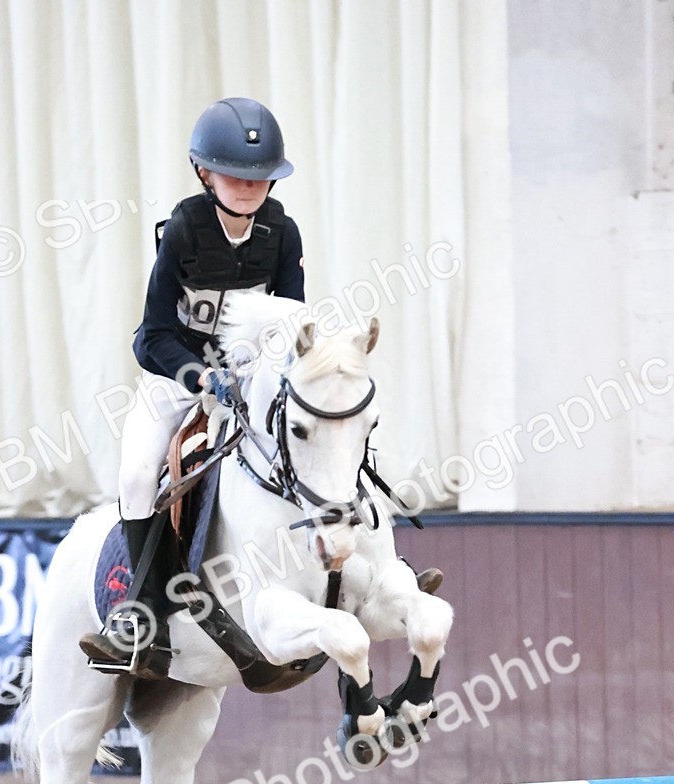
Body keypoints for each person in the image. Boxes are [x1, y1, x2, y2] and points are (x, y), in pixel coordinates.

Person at [80, 97, 441, 670]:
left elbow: (291, 328)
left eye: (259, 177)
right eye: (235, 174)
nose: (249, 187)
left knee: (328, 432)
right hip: (181, 378)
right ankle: (138, 612)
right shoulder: (183, 230)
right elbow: (150, 337)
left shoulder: (282, 233)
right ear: (205, 173)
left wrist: (272, 376)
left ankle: (367, 573)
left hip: (254, 379)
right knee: (137, 470)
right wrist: (202, 377)